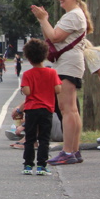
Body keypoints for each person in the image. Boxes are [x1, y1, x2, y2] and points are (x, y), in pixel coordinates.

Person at [32, 0, 91, 166]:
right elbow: (50, 37)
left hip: (68, 64)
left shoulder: (74, 15)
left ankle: (68, 151)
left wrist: (43, 19)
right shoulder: (73, 15)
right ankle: (74, 150)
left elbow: (55, 37)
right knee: (71, 109)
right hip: (69, 63)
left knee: (67, 109)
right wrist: (44, 21)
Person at [19, 39, 62, 176]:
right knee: (44, 138)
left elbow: (27, 92)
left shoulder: (27, 74)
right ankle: (42, 166)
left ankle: (27, 164)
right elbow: (58, 89)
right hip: (47, 109)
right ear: (45, 55)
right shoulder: (52, 73)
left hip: (31, 109)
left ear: (28, 57)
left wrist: (23, 89)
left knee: (30, 138)